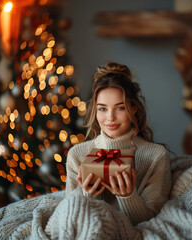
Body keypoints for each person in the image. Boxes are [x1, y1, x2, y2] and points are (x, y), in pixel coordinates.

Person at [65, 62, 171, 225]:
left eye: (120, 108)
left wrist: (128, 197)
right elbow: (70, 217)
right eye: (102, 109)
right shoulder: (77, 155)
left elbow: (153, 221)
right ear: (95, 110)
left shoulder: (155, 156)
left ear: (133, 108)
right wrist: (87, 196)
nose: (110, 118)